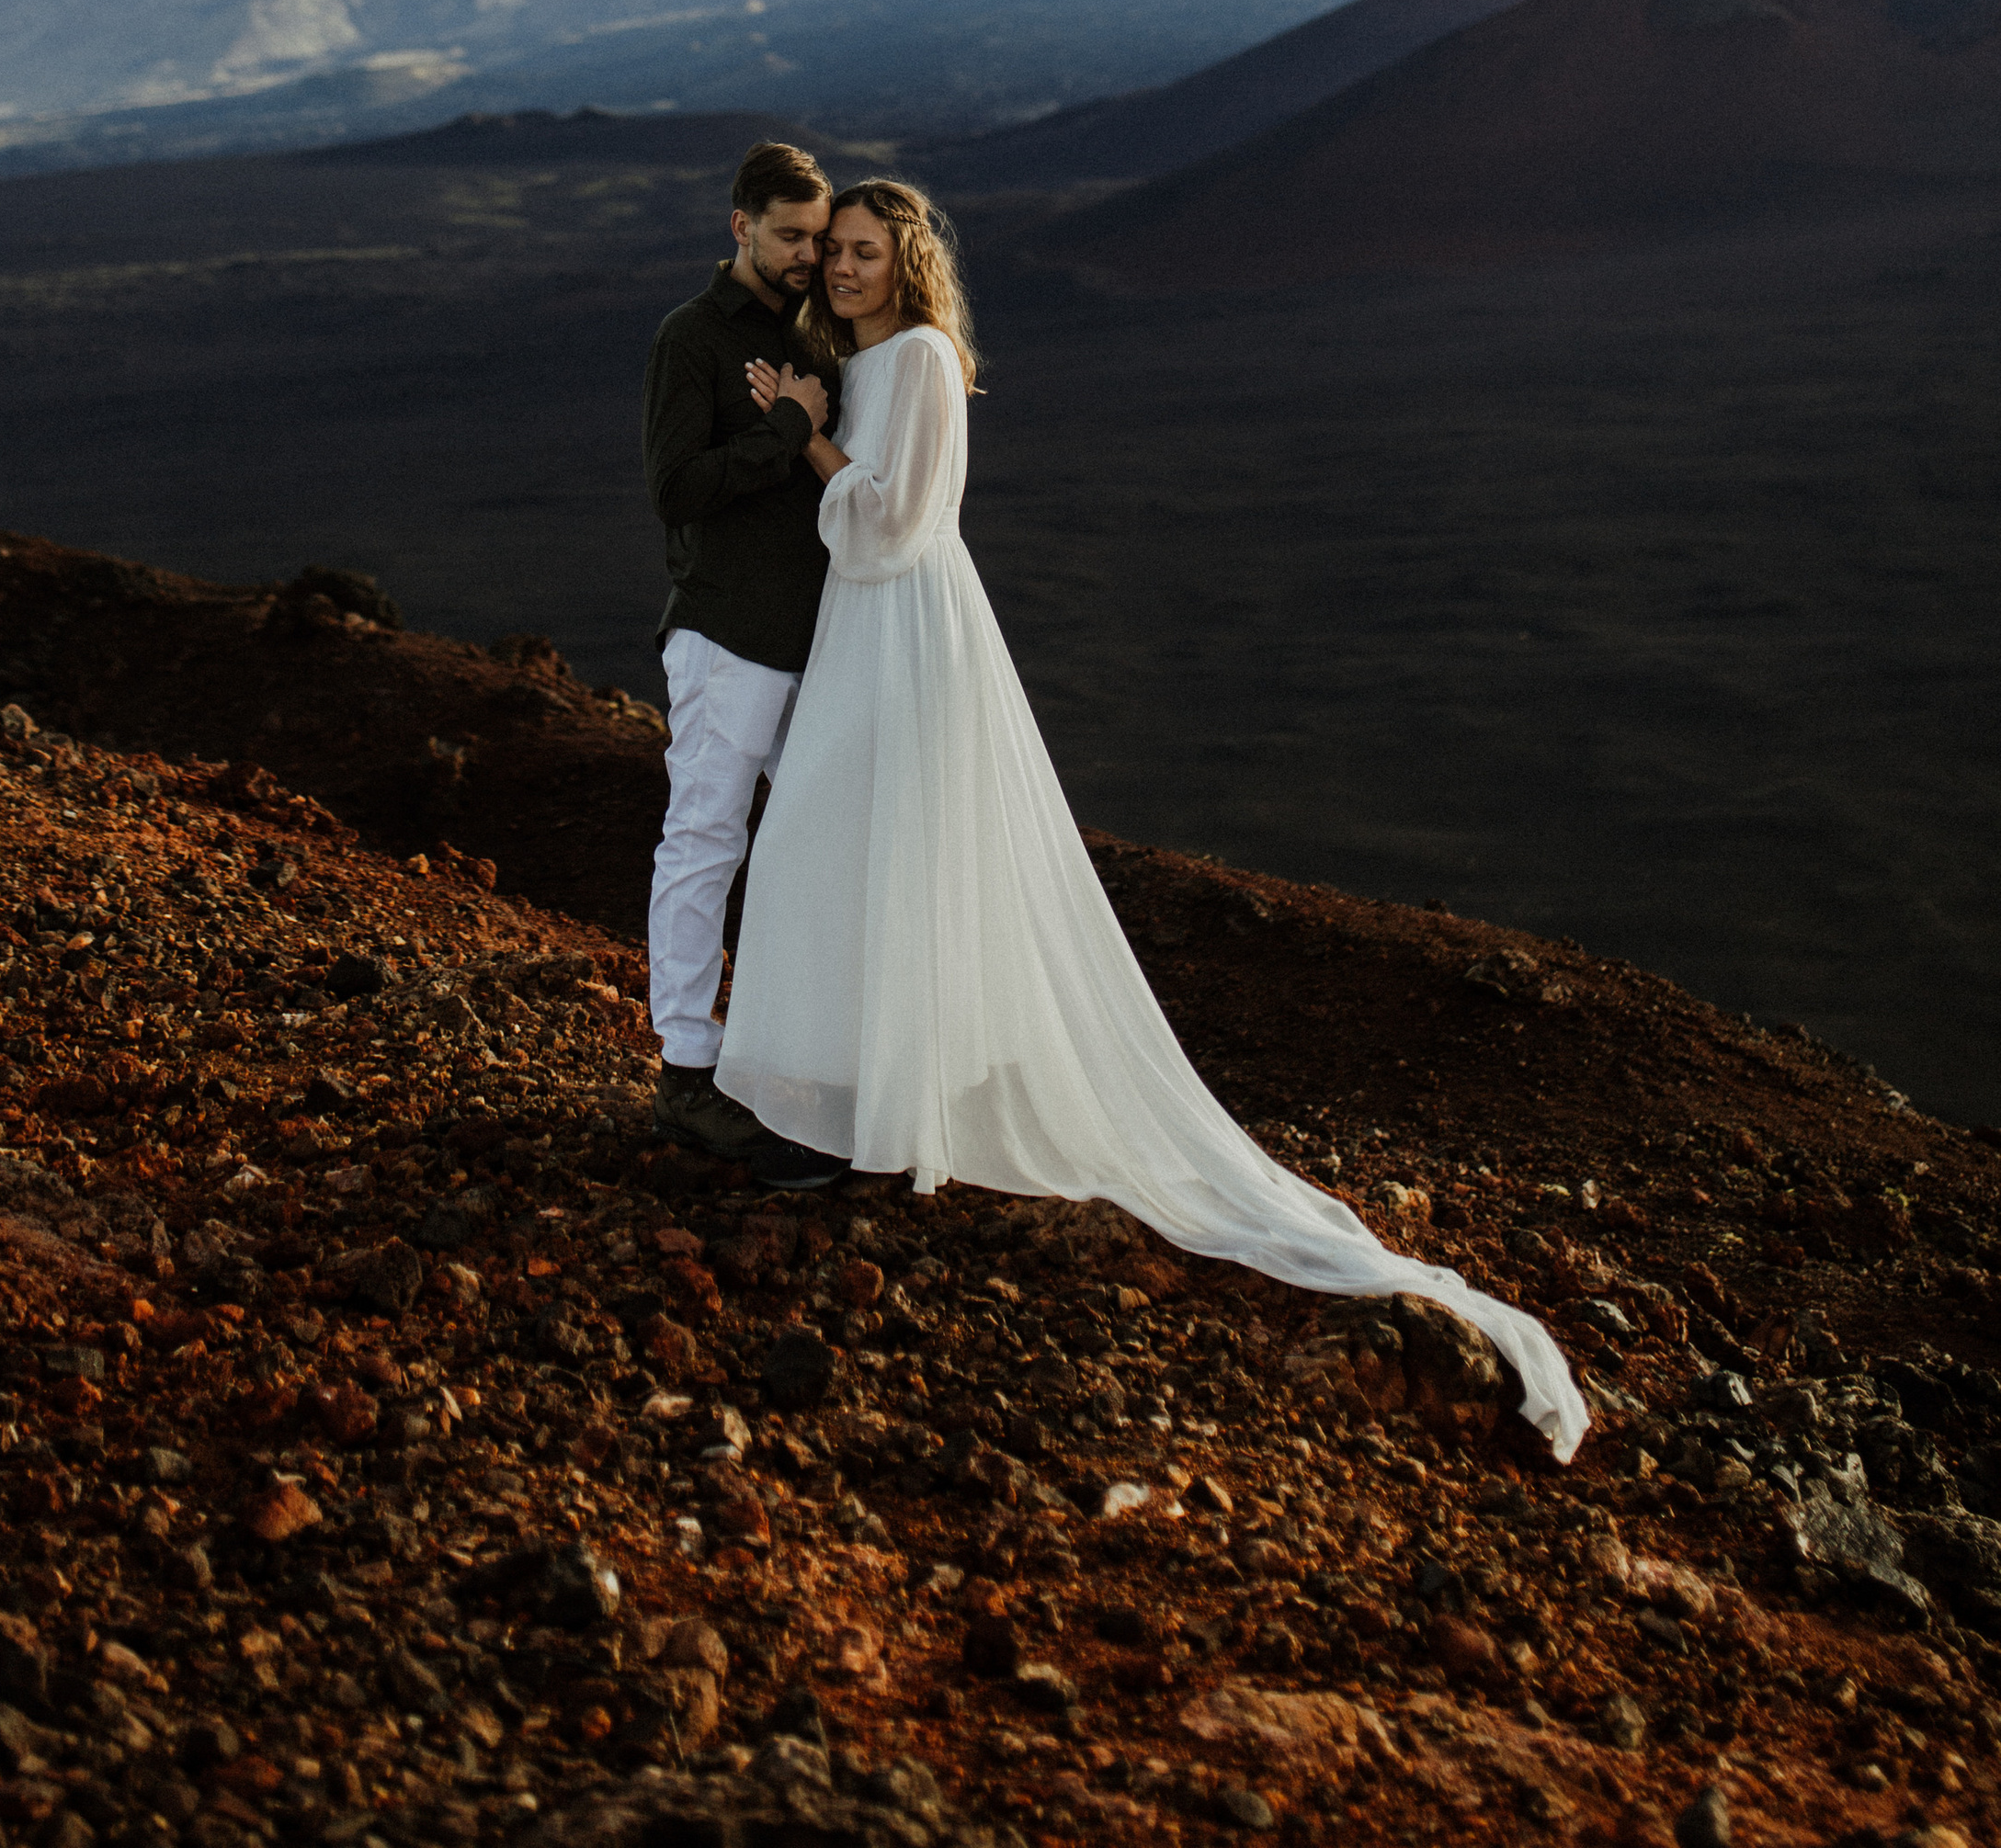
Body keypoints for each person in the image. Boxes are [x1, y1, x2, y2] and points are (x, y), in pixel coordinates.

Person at [718, 177, 1590, 1466]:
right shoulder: (870, 358)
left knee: (868, 847)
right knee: (862, 851)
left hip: (905, 629)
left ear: (907, 264)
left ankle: (893, 1132)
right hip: (881, 635)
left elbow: (895, 527)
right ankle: (879, 1119)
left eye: (863, 251)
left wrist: (807, 441)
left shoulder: (914, 357)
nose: (842, 269)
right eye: (832, 252)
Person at [640, 138, 850, 1188]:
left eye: (818, 237)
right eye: (789, 235)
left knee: (819, 847)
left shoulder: (813, 334)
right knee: (706, 839)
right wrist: (782, 430)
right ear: (740, 227)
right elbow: (675, 488)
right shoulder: (692, 338)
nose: (807, 254)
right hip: (726, 636)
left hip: (812, 638)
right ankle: (687, 1071)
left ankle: (785, 1061)